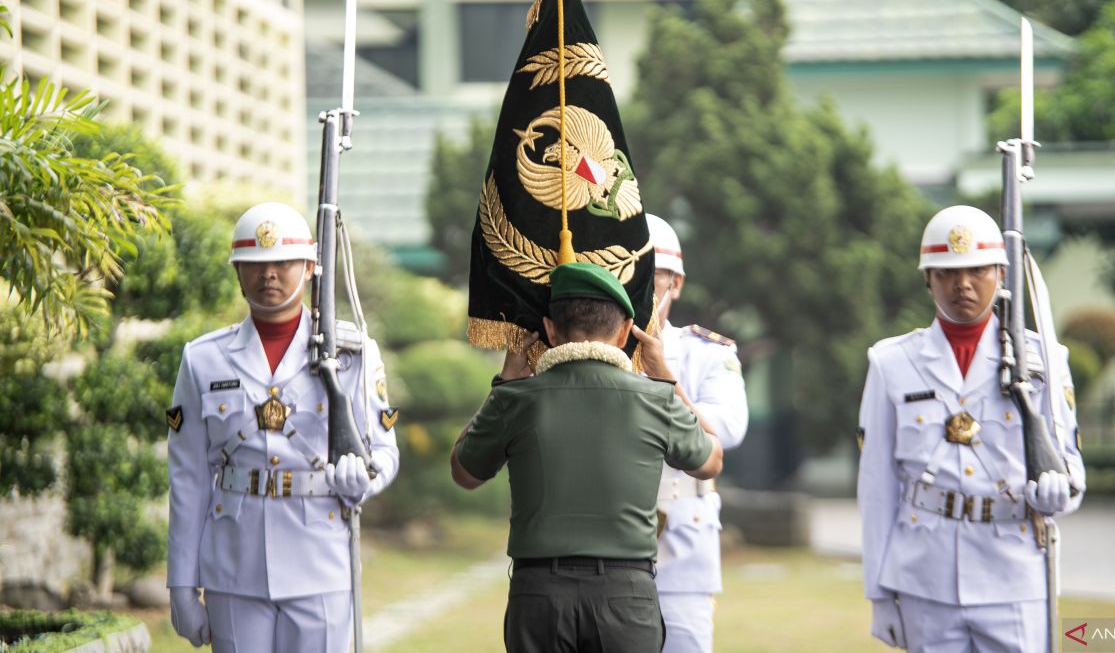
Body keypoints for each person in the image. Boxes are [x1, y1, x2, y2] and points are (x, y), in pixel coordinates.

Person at [450, 261, 724, 652]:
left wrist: (505, 384)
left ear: (549, 330)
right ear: (627, 331)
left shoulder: (516, 401)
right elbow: (711, 459)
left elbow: (464, 470)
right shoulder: (655, 399)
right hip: (626, 597)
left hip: (539, 594)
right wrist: (668, 379)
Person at [166, 202, 400, 652]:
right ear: (238, 273)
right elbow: (188, 478)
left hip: (321, 560)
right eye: (254, 264)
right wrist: (181, 582)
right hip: (235, 565)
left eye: (282, 263)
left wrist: (363, 480)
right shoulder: (203, 358)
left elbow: (383, 450)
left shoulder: (352, 353)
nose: (268, 274)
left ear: (311, 267)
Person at [857, 205, 1086, 653]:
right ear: (928, 280)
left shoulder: (1042, 360)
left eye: (976, 269)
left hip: (1014, 573)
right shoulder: (891, 363)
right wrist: (879, 593)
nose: (962, 284)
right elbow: (877, 487)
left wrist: (1062, 490)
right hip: (925, 576)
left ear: (1001, 273)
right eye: (946, 272)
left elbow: (1070, 462)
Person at [629, 214, 748, 653]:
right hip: (609, 540)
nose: (640, 285)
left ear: (676, 283)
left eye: (653, 274)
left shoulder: (706, 353)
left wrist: (665, 377)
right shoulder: (593, 351)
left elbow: (728, 429)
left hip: (683, 539)